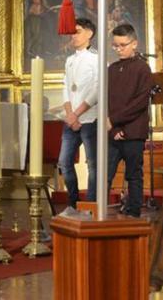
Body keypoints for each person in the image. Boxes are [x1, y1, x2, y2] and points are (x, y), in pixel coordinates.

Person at [106, 24, 154, 218]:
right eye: (115, 46)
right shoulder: (111, 69)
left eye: (123, 45)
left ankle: (134, 213)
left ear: (134, 44)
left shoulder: (143, 68)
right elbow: (107, 100)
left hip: (134, 132)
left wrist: (116, 121)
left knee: (134, 175)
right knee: (105, 174)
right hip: (114, 132)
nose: (119, 49)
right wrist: (113, 129)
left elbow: (140, 102)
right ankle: (98, 212)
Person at [58, 18, 99, 212]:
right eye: (72, 33)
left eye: (78, 32)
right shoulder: (70, 60)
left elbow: (97, 91)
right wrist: (69, 114)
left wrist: (77, 114)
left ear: (89, 34)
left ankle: (90, 206)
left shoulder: (97, 59)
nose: (73, 36)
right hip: (71, 120)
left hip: (89, 118)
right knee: (64, 162)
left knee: (92, 164)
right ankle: (73, 203)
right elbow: (66, 88)